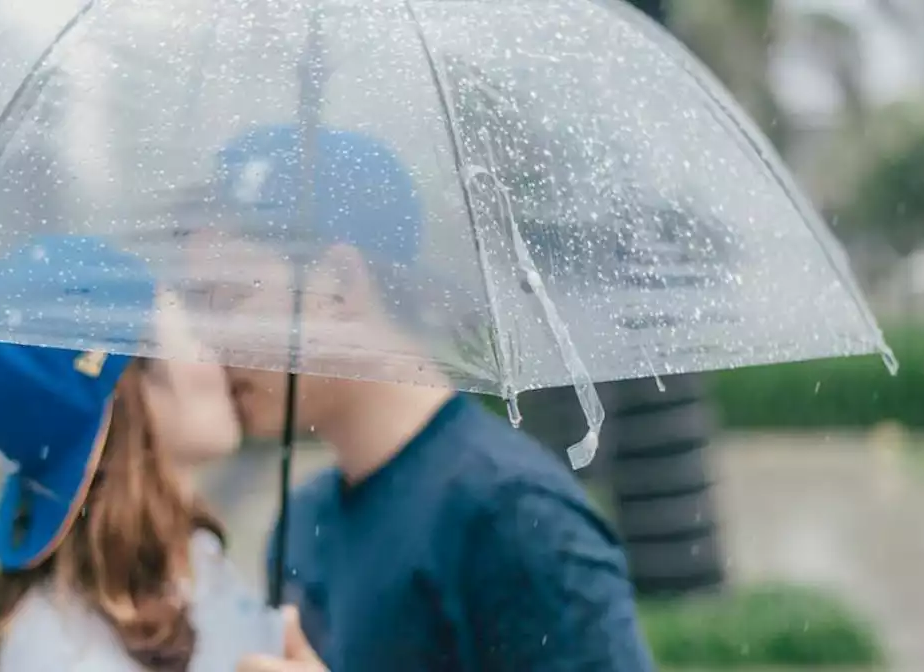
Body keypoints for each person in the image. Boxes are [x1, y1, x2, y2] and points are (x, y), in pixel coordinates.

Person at [183, 126, 655, 672]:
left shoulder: (513, 519)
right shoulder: (306, 523)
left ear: (338, 283)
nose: (208, 342)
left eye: (228, 297)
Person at [0, 235, 282, 672]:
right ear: (132, 395)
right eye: (193, 331)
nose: (218, 350)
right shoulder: (64, 654)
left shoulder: (190, 562)